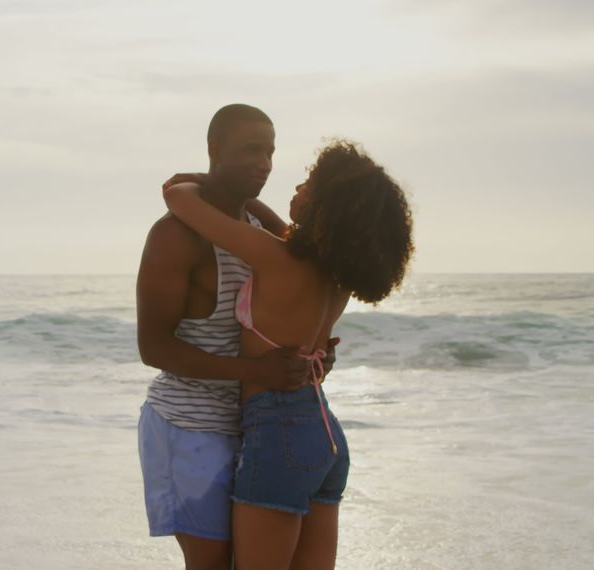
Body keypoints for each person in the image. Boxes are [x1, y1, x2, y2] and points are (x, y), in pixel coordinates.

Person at [161, 139, 414, 570]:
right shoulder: (336, 277)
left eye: (309, 185)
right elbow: (285, 232)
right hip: (324, 436)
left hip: (278, 434)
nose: (297, 188)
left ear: (326, 209)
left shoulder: (274, 259)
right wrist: (254, 203)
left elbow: (178, 198)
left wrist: (215, 183)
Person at [136, 104, 338, 570]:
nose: (264, 163)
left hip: (254, 425)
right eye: (250, 150)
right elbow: (154, 348)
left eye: (269, 152)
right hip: (189, 428)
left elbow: (301, 288)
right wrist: (255, 370)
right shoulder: (175, 237)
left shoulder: (257, 234)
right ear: (214, 149)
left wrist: (314, 357)